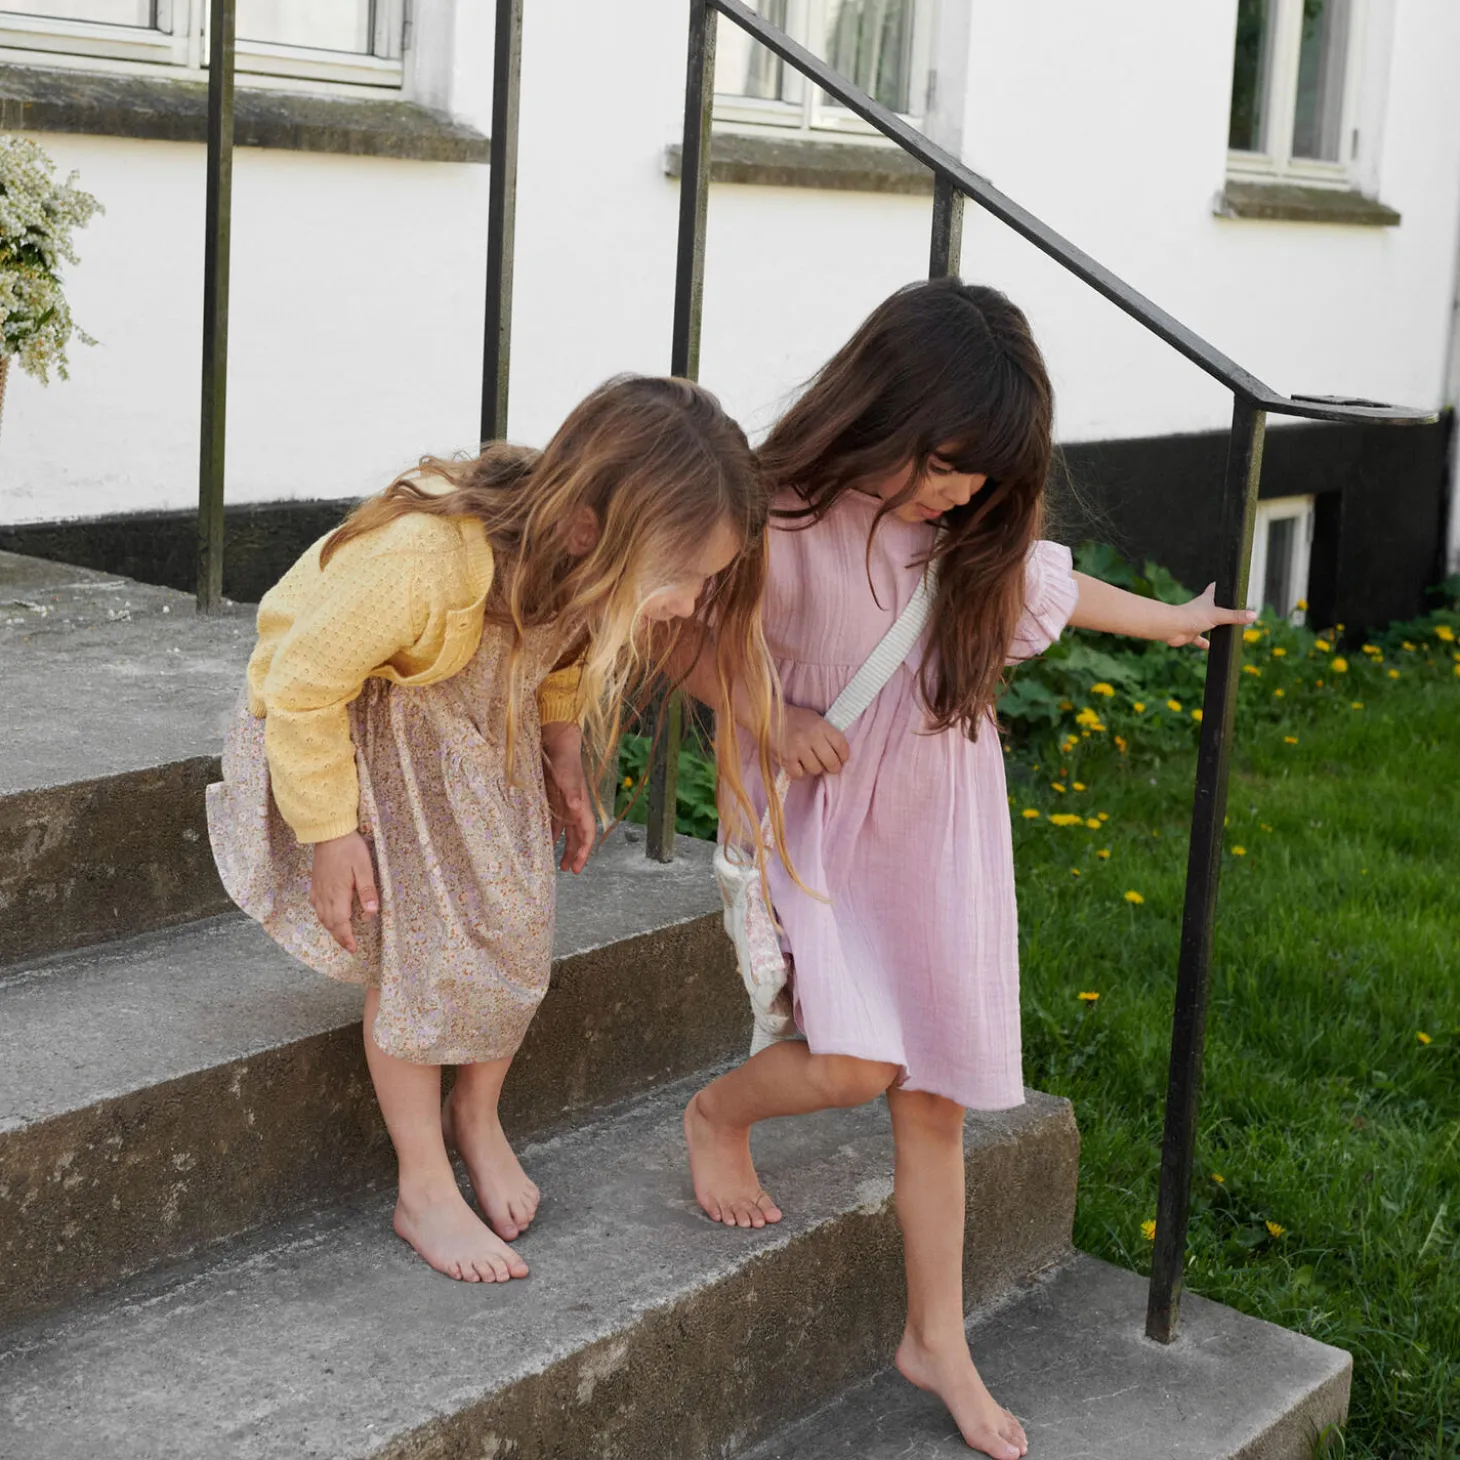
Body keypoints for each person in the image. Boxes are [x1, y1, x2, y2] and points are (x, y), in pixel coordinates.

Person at [678, 280, 1256, 1457]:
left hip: (940, 835)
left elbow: (1057, 585)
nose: (955, 493)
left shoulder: (967, 540)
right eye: (941, 465)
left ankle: (933, 1335)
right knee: (853, 1064)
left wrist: (1169, 621)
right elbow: (680, 635)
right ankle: (714, 1111)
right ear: (877, 406)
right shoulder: (773, 518)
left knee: (932, 1088)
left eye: (979, 477)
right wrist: (770, 717)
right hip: (827, 827)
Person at [208, 375, 783, 1286]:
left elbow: (561, 646)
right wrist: (329, 830)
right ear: (593, 530)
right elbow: (304, 686)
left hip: (478, 733)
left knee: (517, 922)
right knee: (422, 952)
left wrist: (563, 749)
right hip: (367, 735)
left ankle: (474, 1116)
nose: (688, 605)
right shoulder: (421, 561)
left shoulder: (572, 553)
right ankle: (422, 1185)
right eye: (682, 579)